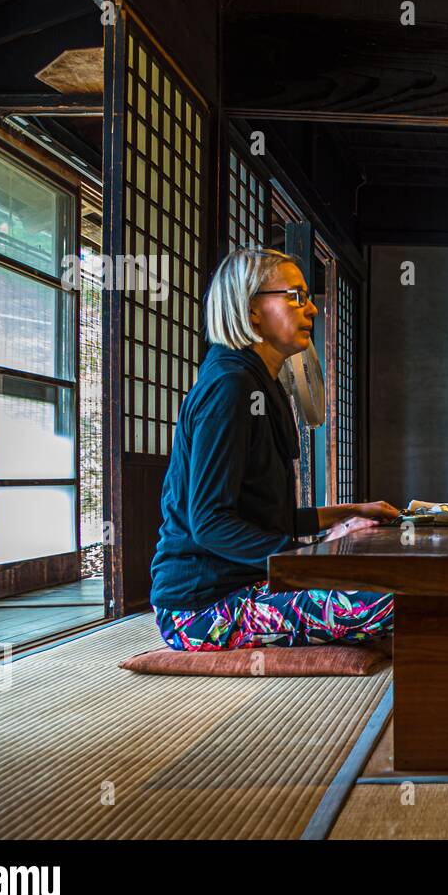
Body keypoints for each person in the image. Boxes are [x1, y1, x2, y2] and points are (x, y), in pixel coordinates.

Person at [150, 248, 400, 651]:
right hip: (201, 607)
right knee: (401, 603)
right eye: (296, 296)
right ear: (252, 311)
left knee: (401, 582)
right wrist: (312, 558)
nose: (312, 310)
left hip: (250, 583)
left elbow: (269, 518)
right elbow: (210, 523)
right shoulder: (228, 387)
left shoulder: (260, 384)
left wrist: (352, 511)